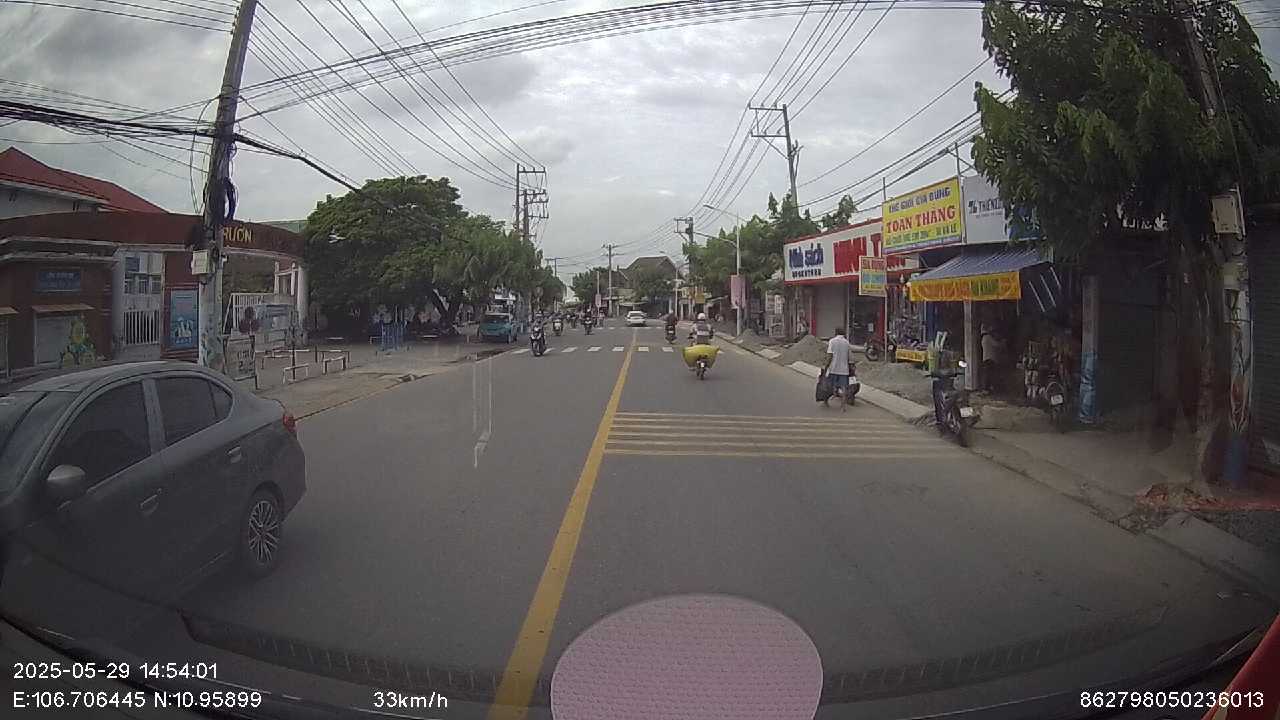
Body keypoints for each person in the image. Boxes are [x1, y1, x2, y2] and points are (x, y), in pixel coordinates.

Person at [823, 327, 853, 411]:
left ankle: (826, 402)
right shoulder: (847, 343)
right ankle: (843, 407)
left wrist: (826, 366)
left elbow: (829, 356)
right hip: (844, 370)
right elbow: (849, 357)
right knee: (844, 388)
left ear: (835, 333)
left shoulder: (832, 341)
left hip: (833, 368)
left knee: (829, 385)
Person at [980, 323, 1004, 392]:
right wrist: (1002, 343)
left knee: (986, 374)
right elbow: (996, 344)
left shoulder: (983, 339)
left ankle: (985, 388)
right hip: (990, 359)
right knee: (991, 374)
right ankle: (989, 388)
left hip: (985, 358)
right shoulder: (988, 337)